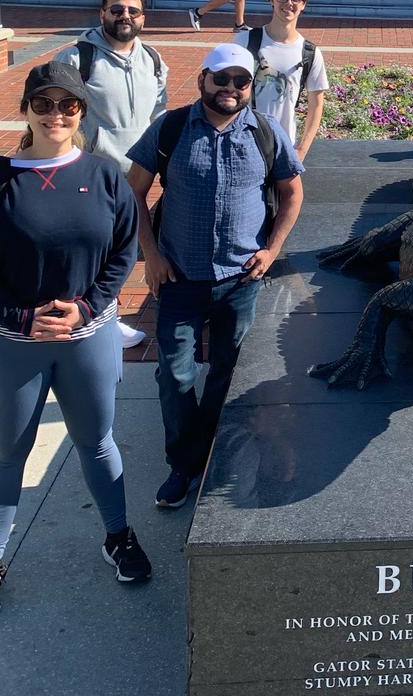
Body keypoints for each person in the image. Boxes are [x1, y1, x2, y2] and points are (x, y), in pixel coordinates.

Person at [0, 60, 150, 626]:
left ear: (81, 112)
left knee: (96, 440)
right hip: (11, 342)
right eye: (44, 103)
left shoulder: (104, 174)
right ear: (26, 110)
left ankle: (118, 536)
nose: (55, 114)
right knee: (9, 453)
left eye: (68, 104)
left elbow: (123, 250)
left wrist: (88, 305)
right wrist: (15, 314)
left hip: (86, 336)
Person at [126, 43, 305, 510]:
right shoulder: (170, 128)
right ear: (202, 79)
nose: (230, 89)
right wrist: (152, 254)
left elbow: (292, 193)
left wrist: (272, 250)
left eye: (240, 81)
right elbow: (134, 194)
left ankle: (212, 454)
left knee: (228, 374)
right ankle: (182, 464)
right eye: (220, 79)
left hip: (240, 279)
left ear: (250, 87)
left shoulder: (264, 132)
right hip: (180, 277)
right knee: (175, 375)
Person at [55, 0, 168, 348]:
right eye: (117, 9)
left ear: (142, 17)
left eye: (133, 11)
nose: (125, 16)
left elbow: (159, 115)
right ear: (103, 13)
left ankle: (99, 316)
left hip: (137, 174)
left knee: (119, 249)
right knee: (94, 248)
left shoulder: (152, 58)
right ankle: (100, 320)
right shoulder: (77, 58)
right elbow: (58, 117)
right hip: (94, 171)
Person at [235, 0, 329, 159]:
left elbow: (317, 104)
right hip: (243, 143)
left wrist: (302, 149)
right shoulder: (244, 41)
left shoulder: (310, 53)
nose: (289, 3)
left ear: (303, 4)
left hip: (284, 148)